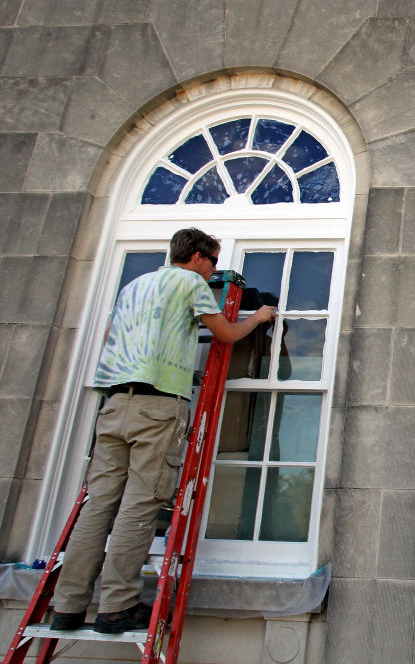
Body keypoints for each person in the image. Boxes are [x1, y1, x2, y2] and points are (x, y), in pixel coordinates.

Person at [51, 228, 276, 633]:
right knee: (139, 506)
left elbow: (110, 338)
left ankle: (67, 605)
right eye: (212, 262)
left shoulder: (134, 286)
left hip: (116, 403)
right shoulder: (191, 283)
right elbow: (224, 334)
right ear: (198, 258)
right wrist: (258, 318)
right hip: (158, 406)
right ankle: (116, 607)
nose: (211, 272)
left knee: (98, 504)